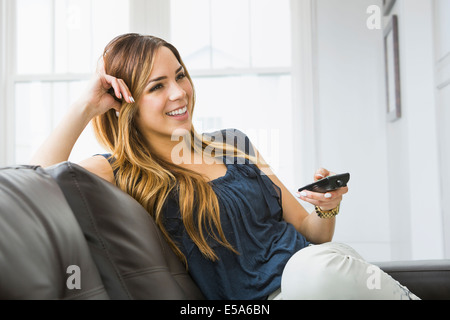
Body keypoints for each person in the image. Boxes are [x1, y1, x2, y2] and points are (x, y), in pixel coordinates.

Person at [30, 33, 419, 300]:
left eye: (180, 75)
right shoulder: (119, 170)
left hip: (321, 276)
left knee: (311, 271)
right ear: (126, 100)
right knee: (309, 275)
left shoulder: (233, 143)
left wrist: (327, 205)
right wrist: (85, 104)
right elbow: (29, 187)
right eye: (157, 85)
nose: (179, 92)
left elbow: (310, 232)